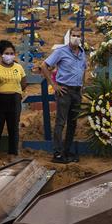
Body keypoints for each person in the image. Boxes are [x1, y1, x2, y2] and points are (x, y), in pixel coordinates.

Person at [44, 30, 87, 164]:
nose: (76, 38)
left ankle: (66, 150)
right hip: (64, 90)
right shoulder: (61, 51)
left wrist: (82, 85)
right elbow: (44, 66)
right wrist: (54, 85)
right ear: (69, 37)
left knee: (73, 123)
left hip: (77, 91)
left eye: (78, 35)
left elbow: (84, 68)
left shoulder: (82, 52)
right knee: (61, 122)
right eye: (73, 35)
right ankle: (57, 153)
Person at [0, 40, 27, 161]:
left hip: (14, 99)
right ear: (1, 54)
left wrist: (16, 91)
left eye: (12, 53)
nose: (9, 55)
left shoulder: (18, 67)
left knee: (13, 127)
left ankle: (13, 153)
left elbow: (24, 83)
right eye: (7, 53)